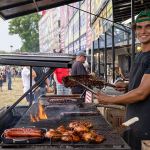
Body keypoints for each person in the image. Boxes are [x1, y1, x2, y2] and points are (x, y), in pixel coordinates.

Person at [95, 10, 150, 150]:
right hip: (133, 118)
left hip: (147, 123)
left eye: (148, 26)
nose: (143, 31)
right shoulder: (139, 55)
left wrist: (108, 100)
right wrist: (127, 85)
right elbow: (143, 82)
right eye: (139, 27)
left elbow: (142, 93)